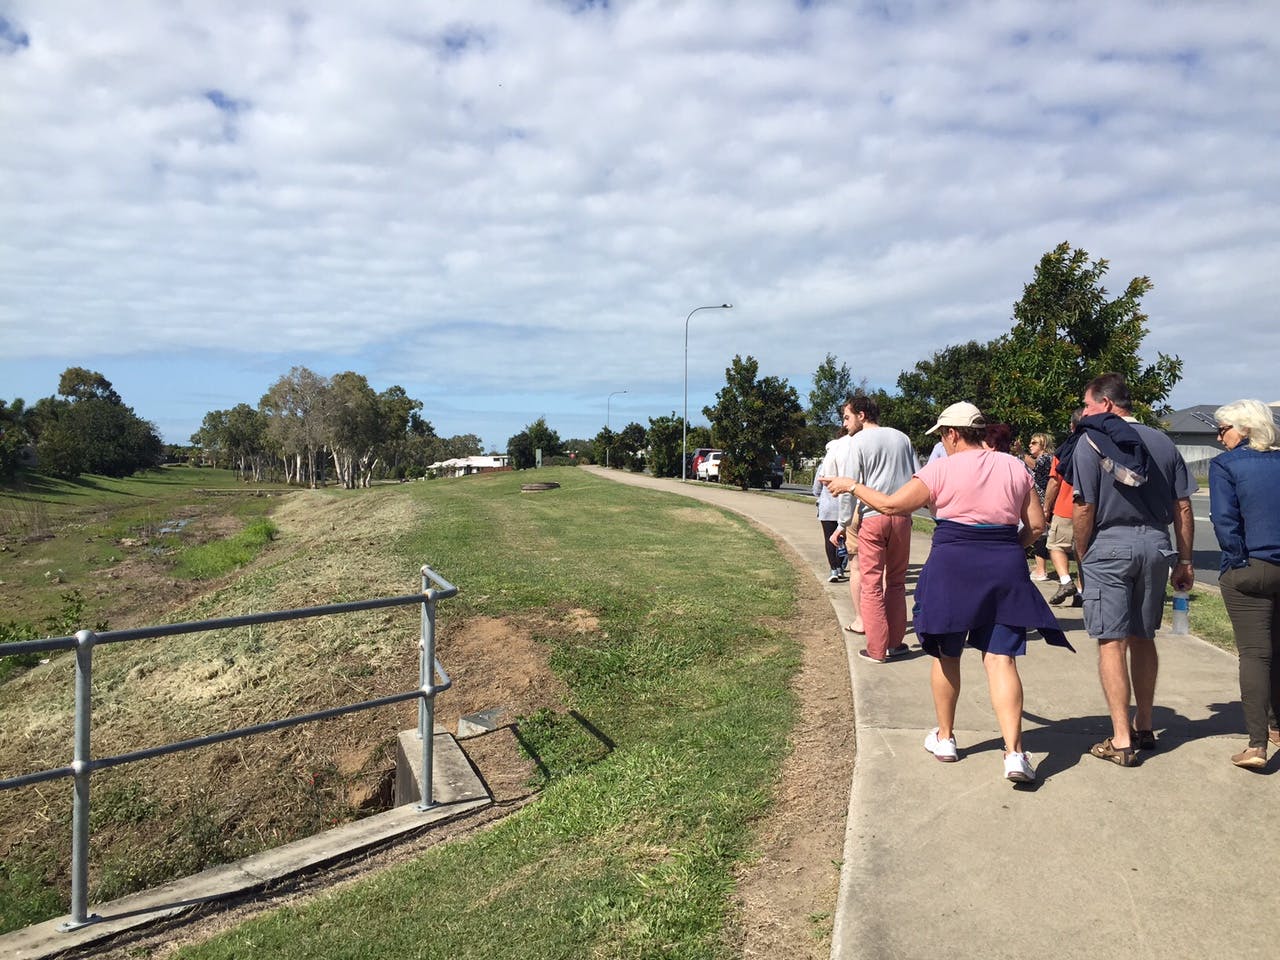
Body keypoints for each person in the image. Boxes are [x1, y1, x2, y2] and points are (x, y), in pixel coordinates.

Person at [823, 401, 1072, 783]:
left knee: (945, 654)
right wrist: (1007, 547)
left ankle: (945, 738)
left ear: (953, 434)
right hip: (1004, 565)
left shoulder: (938, 469)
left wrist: (851, 485)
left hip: (952, 564)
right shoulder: (1014, 466)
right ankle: (1015, 753)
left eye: (942, 435)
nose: (943, 441)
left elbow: (890, 505)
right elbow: (1036, 526)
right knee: (1001, 658)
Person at [1066, 373, 1195, 767]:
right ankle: (1145, 723)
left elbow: (1084, 507)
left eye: (1087, 406)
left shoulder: (1090, 441)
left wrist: (1081, 553)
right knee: (1143, 636)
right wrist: (1185, 559)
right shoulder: (1164, 442)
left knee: (1111, 641)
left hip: (1109, 544)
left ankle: (1121, 739)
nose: (1085, 413)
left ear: (1105, 404)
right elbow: (1183, 507)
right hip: (1156, 544)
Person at [1208, 399, 1280, 769]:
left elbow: (1224, 519)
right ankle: (1276, 726)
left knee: (1255, 654)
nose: (1220, 439)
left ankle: (1256, 745)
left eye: (1223, 430)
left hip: (1251, 565)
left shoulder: (1226, 466)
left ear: (1245, 428)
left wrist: (1234, 561)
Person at [828, 395, 918, 662]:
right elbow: (918, 476)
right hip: (902, 516)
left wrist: (843, 523)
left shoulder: (858, 443)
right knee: (897, 582)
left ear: (862, 415)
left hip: (873, 516)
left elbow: (848, 486)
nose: (845, 425)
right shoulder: (903, 438)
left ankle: (877, 649)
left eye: (847, 417)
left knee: (871, 584)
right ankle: (895, 643)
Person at [1042, 411, 1084, 606]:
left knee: (1055, 545)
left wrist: (1046, 507)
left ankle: (1066, 581)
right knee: (1083, 552)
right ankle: (1082, 592)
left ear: (1072, 426)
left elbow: (1054, 482)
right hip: (1094, 511)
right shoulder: (1103, 446)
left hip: (1066, 507)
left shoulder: (1065, 450)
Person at [1023, 433, 1055, 581]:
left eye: (1034, 443)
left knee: (1040, 536)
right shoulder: (1042, 458)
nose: (1030, 445)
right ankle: (1040, 568)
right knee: (1039, 537)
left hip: (1042, 501)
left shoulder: (1046, 458)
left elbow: (1036, 466)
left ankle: (1041, 570)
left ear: (1043, 444)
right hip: (1039, 500)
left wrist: (1020, 453)